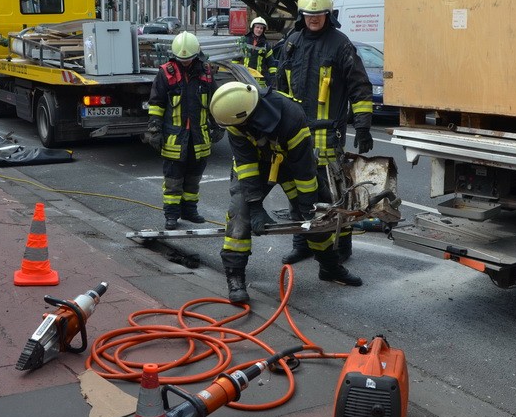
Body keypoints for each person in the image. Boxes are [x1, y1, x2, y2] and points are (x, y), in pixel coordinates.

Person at [209, 81, 361, 304]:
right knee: (239, 213)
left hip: (292, 163)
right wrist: (254, 206)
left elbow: (304, 169)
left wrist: (308, 205)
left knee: (316, 214)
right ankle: (235, 278)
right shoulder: (234, 117)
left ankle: (329, 267)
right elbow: (246, 165)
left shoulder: (290, 116)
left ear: (249, 114)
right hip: (258, 165)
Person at [275, 0, 374, 266]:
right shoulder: (292, 42)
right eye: (309, 14)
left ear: (328, 15)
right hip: (296, 135)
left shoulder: (341, 44)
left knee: (334, 194)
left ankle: (341, 247)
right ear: (301, 15)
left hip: (328, 136)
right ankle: (302, 244)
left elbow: (360, 86)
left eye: (319, 14)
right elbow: (279, 87)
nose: (313, 18)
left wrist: (364, 126)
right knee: (298, 193)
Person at [147, 31, 221, 230]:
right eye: (182, 59)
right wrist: (155, 129)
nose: (185, 62)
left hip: (199, 137)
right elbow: (156, 103)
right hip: (175, 137)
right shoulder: (167, 73)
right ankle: (171, 215)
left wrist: (219, 125)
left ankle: (189, 210)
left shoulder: (205, 72)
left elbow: (216, 102)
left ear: (196, 54)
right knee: (173, 180)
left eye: (188, 59)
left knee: (193, 178)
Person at [239, 16, 274, 85]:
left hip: (260, 81)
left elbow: (271, 63)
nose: (259, 30)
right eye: (257, 27)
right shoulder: (244, 41)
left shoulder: (266, 45)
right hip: (245, 78)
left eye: (261, 28)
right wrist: (235, 72)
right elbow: (236, 58)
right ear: (253, 28)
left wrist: (273, 76)